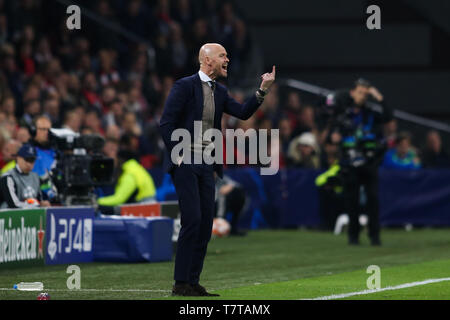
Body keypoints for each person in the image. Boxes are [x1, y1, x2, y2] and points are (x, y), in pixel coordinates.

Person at [159, 43, 275, 296]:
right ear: (207, 60)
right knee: (192, 220)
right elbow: (166, 123)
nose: (227, 58)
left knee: (204, 224)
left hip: (207, 164)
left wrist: (262, 91)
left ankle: (192, 281)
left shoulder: (220, 91)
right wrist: (177, 155)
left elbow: (243, 113)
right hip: (186, 162)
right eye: (222, 55)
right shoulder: (184, 86)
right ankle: (180, 283)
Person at [326, 78, 392, 246]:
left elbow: (388, 116)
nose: (363, 96)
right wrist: (333, 138)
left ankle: (374, 236)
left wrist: (378, 96)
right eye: (360, 92)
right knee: (352, 201)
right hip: (350, 164)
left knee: (373, 200)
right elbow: (330, 136)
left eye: (365, 93)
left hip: (370, 163)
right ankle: (353, 237)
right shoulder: (343, 113)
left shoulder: (371, 113)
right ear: (353, 92)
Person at [0, 143, 51, 209]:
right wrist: (38, 206)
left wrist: (43, 203)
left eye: (32, 160)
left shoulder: (35, 177)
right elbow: (13, 205)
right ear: (18, 158)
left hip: (31, 215)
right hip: (9, 217)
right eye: (27, 160)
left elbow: (39, 200)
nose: (29, 164)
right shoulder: (8, 177)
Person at [29, 114, 57, 200]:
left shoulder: (57, 151)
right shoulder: (28, 152)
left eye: (49, 130)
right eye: (43, 129)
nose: (47, 133)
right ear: (33, 131)